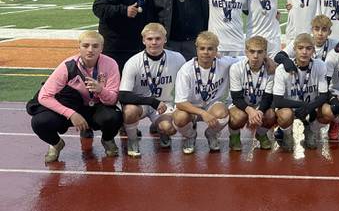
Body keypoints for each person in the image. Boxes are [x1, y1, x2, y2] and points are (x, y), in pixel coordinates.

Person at [29, 31, 122, 163]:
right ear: (79, 47)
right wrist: (71, 114)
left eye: (95, 46)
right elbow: (44, 96)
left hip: (97, 107)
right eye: (86, 45)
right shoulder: (68, 66)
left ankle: (107, 139)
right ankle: (56, 144)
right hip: (72, 107)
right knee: (39, 122)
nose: (90, 50)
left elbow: (113, 99)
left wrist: (101, 90)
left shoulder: (110, 64)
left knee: (114, 117)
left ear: (102, 48)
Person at [119, 23, 186, 157]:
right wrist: (152, 101)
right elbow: (123, 95)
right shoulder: (133, 62)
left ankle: (163, 132)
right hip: (142, 104)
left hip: (165, 103)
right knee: (129, 111)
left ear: (165, 40)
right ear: (143, 40)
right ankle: (132, 141)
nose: (154, 42)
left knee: (169, 128)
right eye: (149, 39)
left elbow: (188, 81)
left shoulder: (178, 58)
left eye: (158, 38)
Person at [173, 31, 239, 154]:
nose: (206, 52)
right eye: (202, 48)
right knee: (179, 118)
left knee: (223, 112)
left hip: (212, 105)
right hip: (191, 107)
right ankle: (190, 136)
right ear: (196, 49)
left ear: (216, 51)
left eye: (210, 49)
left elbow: (248, 57)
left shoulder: (224, 63)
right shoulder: (186, 70)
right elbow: (180, 103)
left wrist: (267, 60)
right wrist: (202, 113)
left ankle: (211, 134)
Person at [272, 33, 332, 150]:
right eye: (300, 48)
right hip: (290, 107)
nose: (304, 52)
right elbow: (278, 101)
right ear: (294, 49)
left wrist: (310, 107)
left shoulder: (320, 65)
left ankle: (311, 130)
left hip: (311, 108)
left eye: (308, 48)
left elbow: (324, 95)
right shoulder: (282, 69)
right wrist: (303, 105)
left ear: (313, 50)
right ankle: (287, 134)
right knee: (285, 115)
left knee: (328, 111)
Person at [92, 0, 149, 73]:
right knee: (115, 85)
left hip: (135, 45)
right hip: (115, 47)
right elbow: (98, 7)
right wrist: (123, 10)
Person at [227, 36, 276, 151]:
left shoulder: (270, 70)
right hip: (240, 105)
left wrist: (259, 111)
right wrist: (250, 111)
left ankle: (261, 134)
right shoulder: (236, 68)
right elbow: (236, 98)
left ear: (265, 53)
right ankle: (234, 136)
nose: (255, 56)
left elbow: (267, 98)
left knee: (271, 115)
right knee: (238, 117)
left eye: (260, 52)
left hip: (260, 105)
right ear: (246, 52)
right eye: (252, 51)